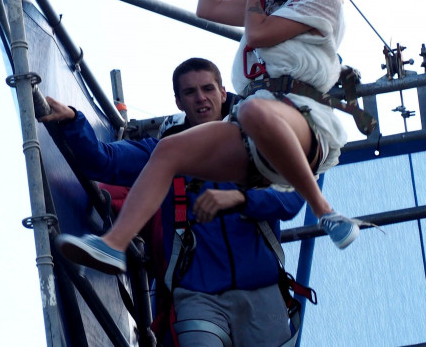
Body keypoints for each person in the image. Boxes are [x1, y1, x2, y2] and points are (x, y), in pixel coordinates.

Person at [55, 0, 359, 279]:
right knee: (169, 150)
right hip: (255, 127)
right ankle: (114, 245)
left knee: (253, 111)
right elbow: (208, 7)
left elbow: (260, 34)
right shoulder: (269, 3)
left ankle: (326, 212)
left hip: (301, 118)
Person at [41, 58, 305, 346]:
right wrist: (72, 120)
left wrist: (241, 199)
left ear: (223, 92)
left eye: (207, 88)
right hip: (197, 298)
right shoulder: (164, 154)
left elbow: (290, 202)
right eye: (190, 92)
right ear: (179, 102)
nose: (200, 97)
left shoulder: (259, 147)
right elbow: (102, 161)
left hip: (263, 295)